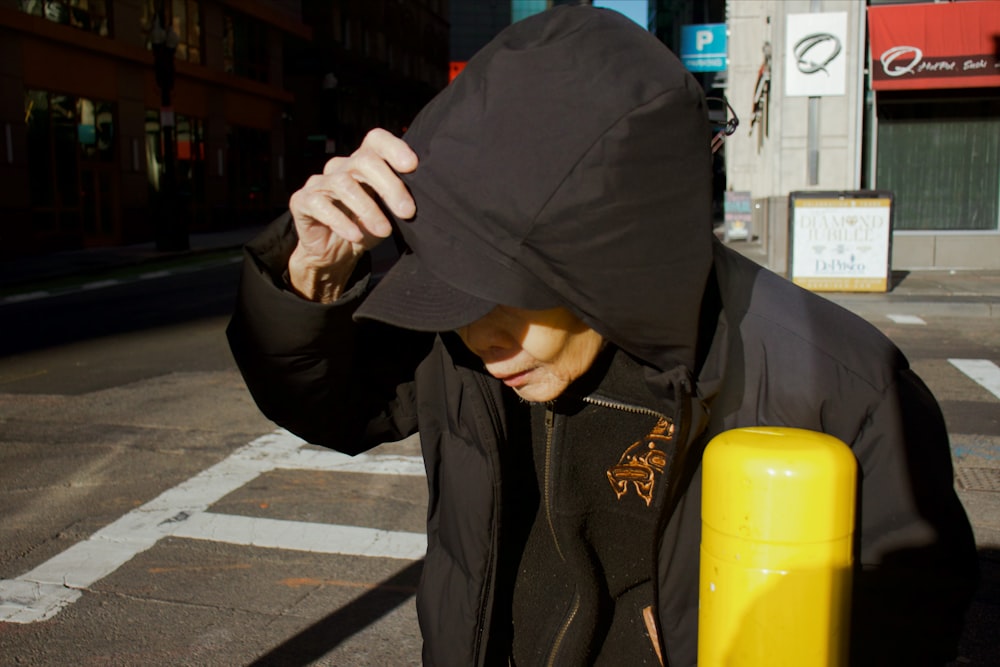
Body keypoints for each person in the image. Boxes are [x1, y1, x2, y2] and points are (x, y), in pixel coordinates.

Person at [227, 6, 977, 666]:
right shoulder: (456, 340)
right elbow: (328, 406)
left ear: (611, 256)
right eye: (456, 299)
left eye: (508, 298)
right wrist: (313, 280)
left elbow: (910, 619)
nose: (479, 337)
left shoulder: (833, 382)